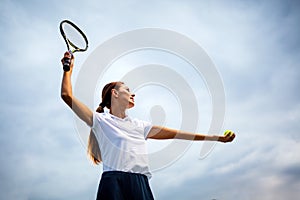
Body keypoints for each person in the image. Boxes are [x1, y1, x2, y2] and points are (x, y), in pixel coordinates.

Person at [60, 52, 235, 200]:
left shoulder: (140, 126)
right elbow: (67, 95)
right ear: (114, 93)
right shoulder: (100, 121)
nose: (132, 93)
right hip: (113, 182)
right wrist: (68, 69)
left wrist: (216, 138)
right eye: (127, 89)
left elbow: (178, 134)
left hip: (140, 183)